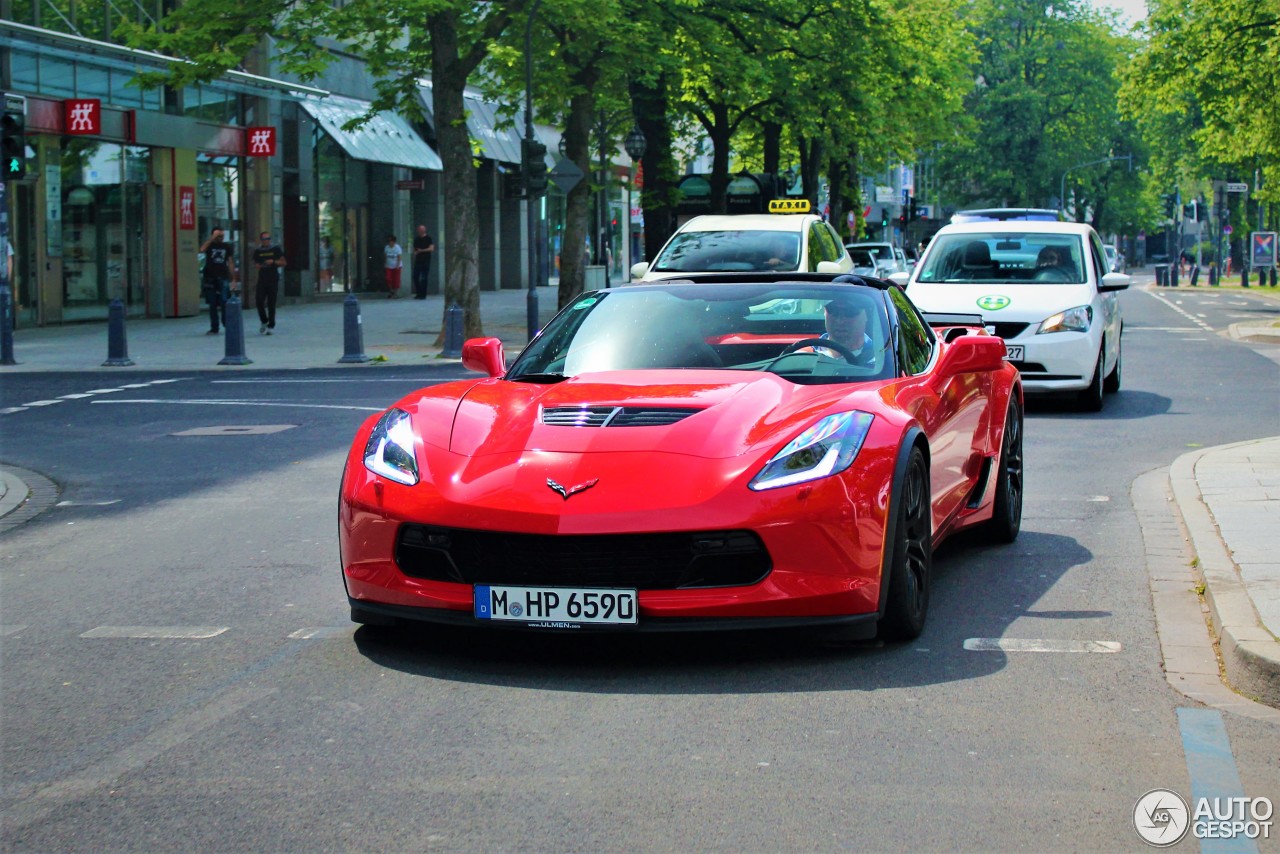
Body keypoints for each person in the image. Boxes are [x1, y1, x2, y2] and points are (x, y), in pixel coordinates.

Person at [802, 296, 876, 366]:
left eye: (850, 312)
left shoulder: (879, 361)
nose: (840, 321)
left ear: (868, 315)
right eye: (833, 311)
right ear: (824, 312)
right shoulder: (804, 356)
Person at [199, 228, 238, 334]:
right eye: (218, 236)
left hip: (223, 276)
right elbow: (202, 249)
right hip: (210, 277)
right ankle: (214, 327)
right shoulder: (210, 245)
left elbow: (230, 262)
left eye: (222, 236)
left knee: (224, 301)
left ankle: (227, 324)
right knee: (212, 304)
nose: (220, 238)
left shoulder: (227, 247)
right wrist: (212, 238)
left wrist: (233, 278)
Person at [252, 230, 287, 335]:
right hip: (262, 278)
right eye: (264, 239)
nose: (266, 241)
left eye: (268, 239)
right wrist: (259, 265)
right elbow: (256, 264)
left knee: (271, 303)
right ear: (261, 240)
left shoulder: (275, 249)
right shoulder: (258, 251)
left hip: (273, 278)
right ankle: (264, 320)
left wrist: (273, 262)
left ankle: (271, 325)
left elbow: (284, 262)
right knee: (259, 301)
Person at [411, 225, 435, 299]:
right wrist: (415, 254)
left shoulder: (428, 238)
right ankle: (419, 293)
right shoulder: (416, 239)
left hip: (426, 261)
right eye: (419, 230)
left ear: (424, 230)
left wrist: (421, 250)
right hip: (418, 261)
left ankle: (423, 294)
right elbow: (415, 250)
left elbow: (431, 249)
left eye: (421, 230)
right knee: (415, 277)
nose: (420, 231)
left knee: (424, 278)